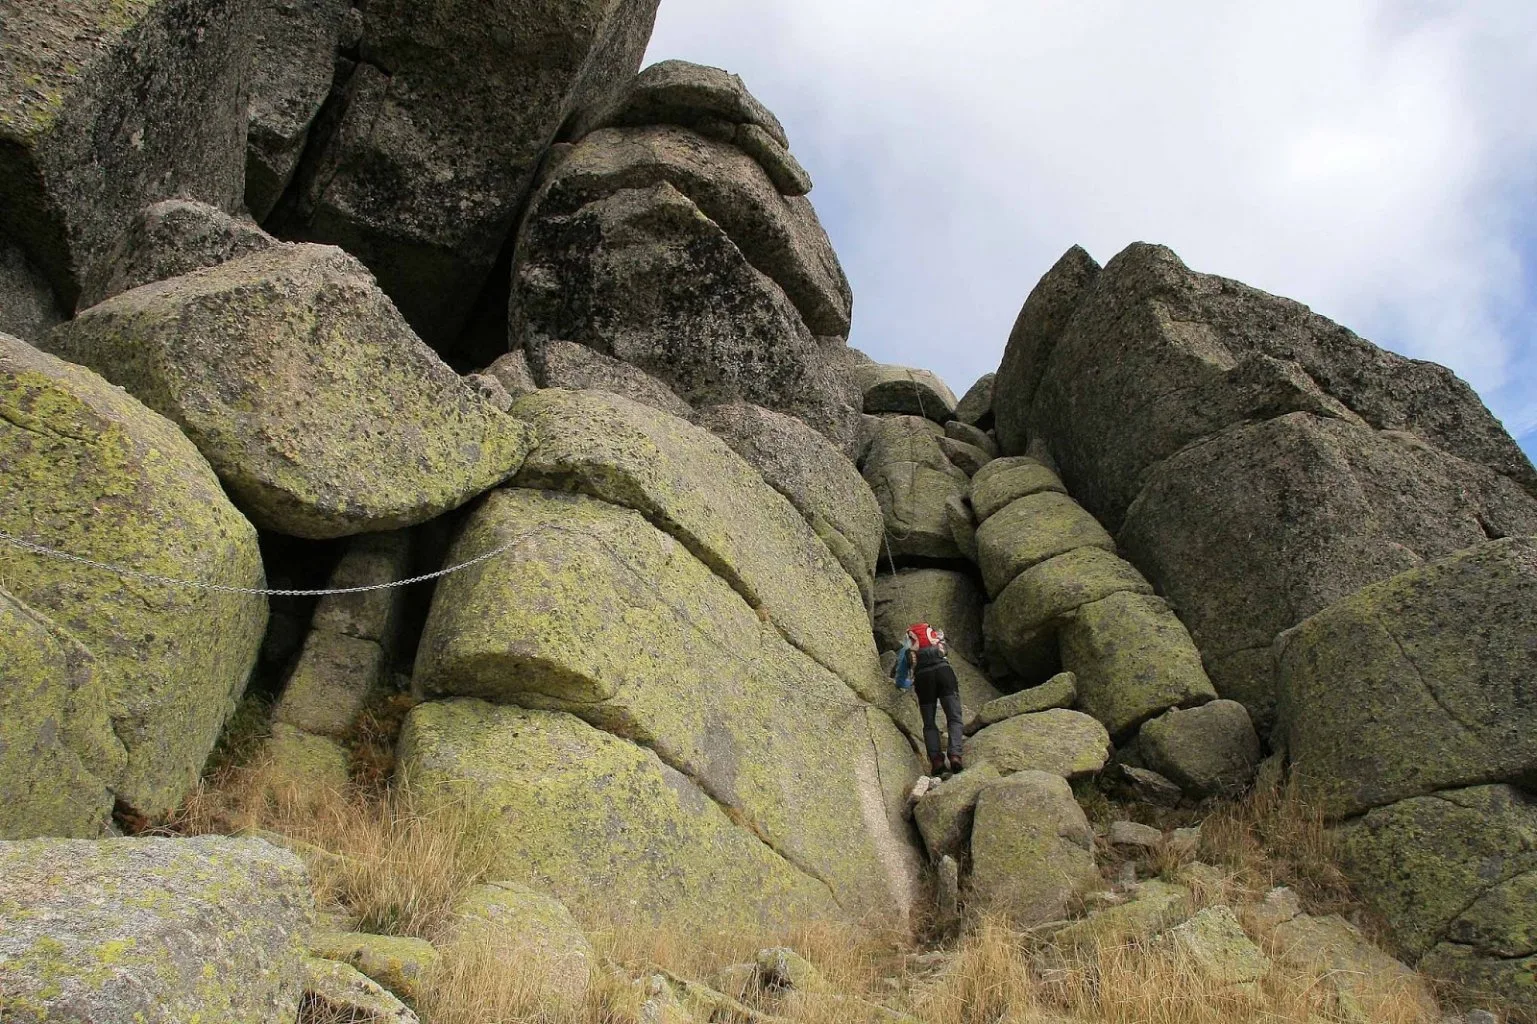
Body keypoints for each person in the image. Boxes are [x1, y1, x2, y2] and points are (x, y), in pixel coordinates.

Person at [892, 622, 964, 778]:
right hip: (945, 675)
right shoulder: (937, 639)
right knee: (954, 718)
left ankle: (937, 762)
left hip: (923, 680)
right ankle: (955, 755)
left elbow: (900, 679)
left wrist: (908, 683)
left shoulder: (908, 648)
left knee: (929, 723)